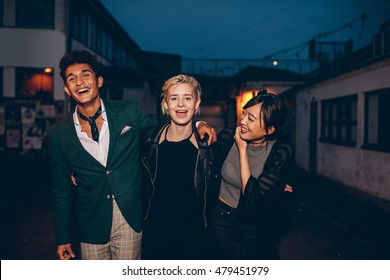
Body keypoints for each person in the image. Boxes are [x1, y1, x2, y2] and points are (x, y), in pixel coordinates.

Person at [48, 50, 216, 260]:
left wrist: (199, 123)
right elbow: (60, 191)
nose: (80, 82)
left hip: (130, 218)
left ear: (99, 81)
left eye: (86, 75)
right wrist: (62, 237)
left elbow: (162, 132)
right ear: (66, 88)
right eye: (72, 78)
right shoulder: (57, 134)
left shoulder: (129, 111)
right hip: (91, 224)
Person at [208, 89, 293, 260]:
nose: (243, 121)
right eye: (244, 114)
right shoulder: (226, 138)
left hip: (256, 227)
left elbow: (252, 200)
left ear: (269, 129)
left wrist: (242, 151)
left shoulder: (280, 152)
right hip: (221, 219)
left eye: (251, 118)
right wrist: (200, 125)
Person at [140, 74, 216, 259]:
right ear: (166, 104)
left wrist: (275, 177)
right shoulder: (148, 140)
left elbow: (245, 147)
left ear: (197, 103)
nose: (181, 104)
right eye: (174, 98)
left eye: (187, 98)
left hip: (194, 236)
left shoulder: (208, 145)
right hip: (155, 233)